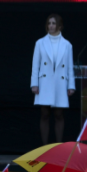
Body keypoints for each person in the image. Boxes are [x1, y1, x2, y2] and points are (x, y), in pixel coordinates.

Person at [30, 14, 75, 145]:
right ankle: (45, 147)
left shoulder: (67, 45)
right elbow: (35, 65)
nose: (51, 26)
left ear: (60, 26)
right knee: (44, 113)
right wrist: (34, 84)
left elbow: (69, 66)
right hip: (44, 83)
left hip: (60, 83)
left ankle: (58, 147)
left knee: (59, 114)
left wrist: (71, 85)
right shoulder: (40, 43)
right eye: (49, 23)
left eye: (54, 23)